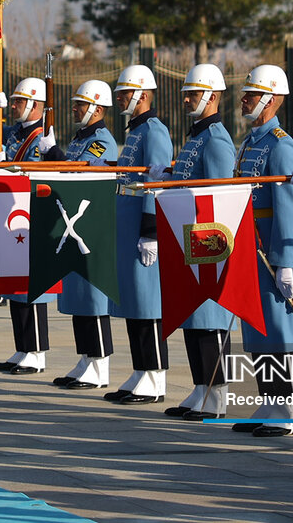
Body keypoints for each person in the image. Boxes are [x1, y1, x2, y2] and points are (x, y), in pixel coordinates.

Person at [234, 65, 293, 438]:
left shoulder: (280, 144)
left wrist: (286, 261)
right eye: (245, 93)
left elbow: (288, 206)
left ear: (272, 99)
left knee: (278, 330)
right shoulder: (250, 142)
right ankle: (269, 400)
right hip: (250, 245)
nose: (244, 99)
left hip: (270, 249)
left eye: (251, 94)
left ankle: (288, 406)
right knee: (257, 327)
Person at [163, 64, 236, 422]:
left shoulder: (217, 140)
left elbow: (220, 197)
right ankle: (199, 385)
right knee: (192, 315)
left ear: (212, 95)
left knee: (209, 318)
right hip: (187, 234)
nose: (187, 98)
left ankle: (217, 391)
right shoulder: (195, 137)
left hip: (207, 240)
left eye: (193, 92)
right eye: (187, 93)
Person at [42, 80, 118, 390]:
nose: (75, 108)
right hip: (72, 222)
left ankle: (100, 364)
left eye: (81, 104)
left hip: (90, 223)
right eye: (75, 104)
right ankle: (86, 358)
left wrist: (54, 154)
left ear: (98, 109)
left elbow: (81, 171)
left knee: (93, 297)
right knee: (77, 297)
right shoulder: (80, 138)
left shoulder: (102, 141)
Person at [108, 65, 174, 405]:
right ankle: (140, 369)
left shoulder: (153, 131)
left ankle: (155, 374)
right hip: (127, 222)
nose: (119, 98)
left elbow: (156, 183)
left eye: (125, 92)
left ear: (143, 96)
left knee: (147, 301)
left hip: (141, 226)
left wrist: (151, 230)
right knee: (133, 299)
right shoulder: (135, 131)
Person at [0, 77, 54, 376]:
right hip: (11, 211)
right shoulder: (16, 133)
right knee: (15, 284)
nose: (14, 106)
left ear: (35, 105)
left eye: (19, 101)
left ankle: (37, 351)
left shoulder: (42, 137)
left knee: (32, 288)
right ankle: (23, 346)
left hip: (31, 213)